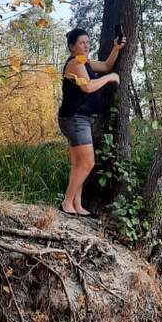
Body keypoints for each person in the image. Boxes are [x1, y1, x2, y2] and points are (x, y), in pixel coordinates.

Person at [57, 26, 124, 216]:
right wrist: (110, 78)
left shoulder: (83, 61)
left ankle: (77, 205)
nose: (86, 46)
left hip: (79, 118)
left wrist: (116, 48)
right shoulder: (75, 63)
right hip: (75, 118)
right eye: (81, 43)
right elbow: (87, 87)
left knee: (78, 164)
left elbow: (106, 65)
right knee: (87, 163)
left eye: (87, 42)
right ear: (72, 47)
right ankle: (67, 203)